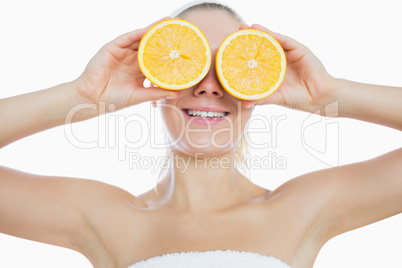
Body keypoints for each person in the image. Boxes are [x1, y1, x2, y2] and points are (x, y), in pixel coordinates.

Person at [0, 2, 401, 268]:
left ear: (257, 83)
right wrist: (82, 95)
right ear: (153, 75)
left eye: (230, 65)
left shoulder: (305, 208)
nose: (210, 86)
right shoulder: (103, 217)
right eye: (188, 64)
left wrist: (329, 94)